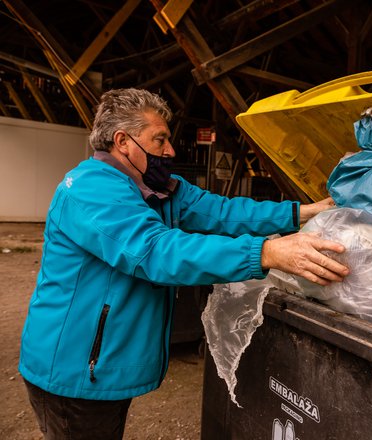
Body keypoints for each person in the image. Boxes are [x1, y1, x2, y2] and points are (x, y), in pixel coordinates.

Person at [19, 88, 349, 439]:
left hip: (99, 364)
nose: (170, 150)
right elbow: (156, 251)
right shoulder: (89, 188)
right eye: (159, 139)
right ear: (123, 141)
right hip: (73, 369)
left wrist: (302, 213)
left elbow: (224, 212)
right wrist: (266, 253)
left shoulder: (158, 188)